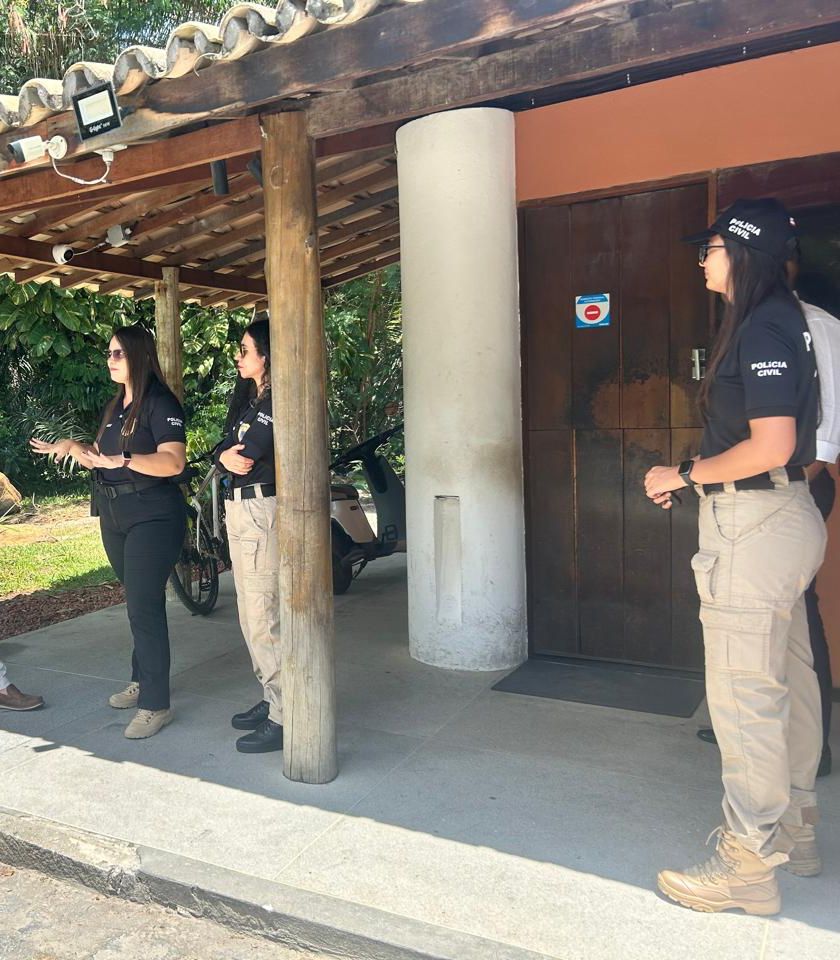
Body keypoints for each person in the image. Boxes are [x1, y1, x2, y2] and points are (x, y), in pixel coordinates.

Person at [644, 199, 825, 916]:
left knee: (745, 695)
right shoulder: (783, 319)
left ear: (741, 254)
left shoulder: (763, 325)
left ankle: (748, 862)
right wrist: (698, 474)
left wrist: (685, 473)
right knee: (788, 680)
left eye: (711, 248)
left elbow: (771, 445)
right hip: (784, 517)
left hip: (754, 526)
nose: (702, 260)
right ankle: (796, 831)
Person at [696, 261, 839, 779]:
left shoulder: (802, 325)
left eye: (711, 250)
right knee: (775, 636)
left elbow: (814, 436)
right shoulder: (753, 323)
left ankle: (799, 763)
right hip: (767, 489)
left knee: (781, 640)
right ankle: (790, 773)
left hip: (778, 492)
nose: (702, 262)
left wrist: (777, 481)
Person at [31, 325, 187, 740]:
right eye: (109, 353)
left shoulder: (160, 403)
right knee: (138, 600)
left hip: (153, 514)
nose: (110, 360)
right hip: (115, 513)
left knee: (143, 607)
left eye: (118, 353)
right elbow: (103, 458)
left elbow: (173, 462)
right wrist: (72, 446)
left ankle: (155, 704)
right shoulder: (116, 405)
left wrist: (126, 459)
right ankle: (143, 679)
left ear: (138, 355)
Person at [214, 318, 283, 754]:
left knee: (263, 615)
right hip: (240, 508)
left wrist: (226, 455)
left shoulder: (277, 400)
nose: (238, 357)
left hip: (259, 509)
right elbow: (221, 449)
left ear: (266, 355)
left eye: (244, 350)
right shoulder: (250, 400)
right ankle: (271, 696)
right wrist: (223, 455)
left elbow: (248, 452)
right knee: (248, 612)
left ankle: (285, 713)